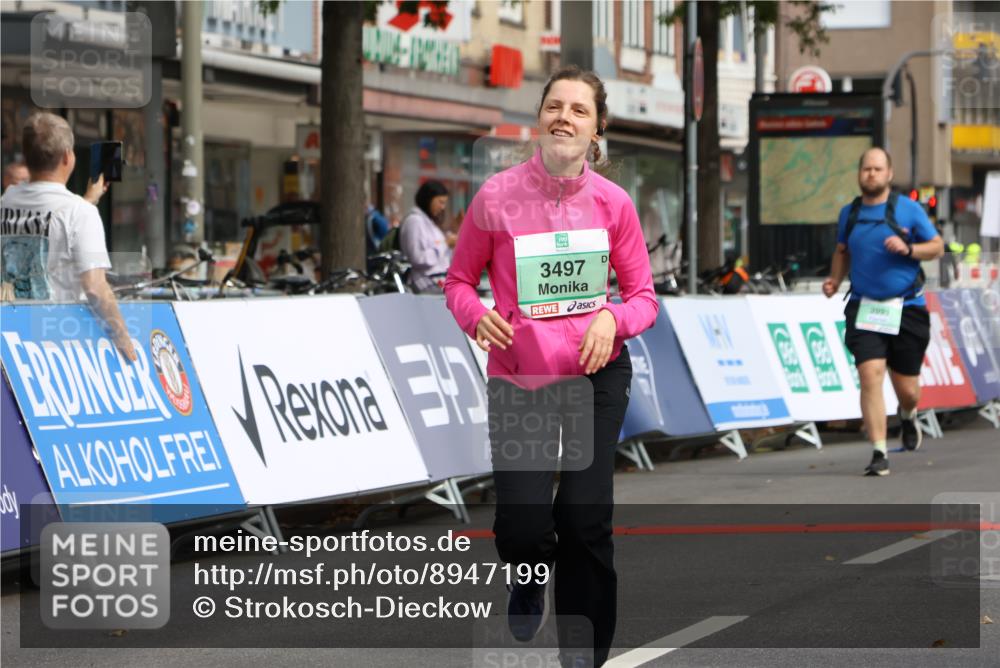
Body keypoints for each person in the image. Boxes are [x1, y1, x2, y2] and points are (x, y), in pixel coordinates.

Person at [444, 65, 657, 667]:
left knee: (584, 520)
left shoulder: (614, 204)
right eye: (554, 106)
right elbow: (459, 280)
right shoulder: (496, 197)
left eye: (579, 110)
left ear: (598, 129)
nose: (564, 117)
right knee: (523, 527)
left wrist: (613, 319)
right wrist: (475, 315)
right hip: (524, 376)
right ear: (538, 119)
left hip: (596, 375)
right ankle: (528, 573)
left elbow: (644, 297)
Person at [822, 147, 943, 476]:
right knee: (870, 374)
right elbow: (842, 251)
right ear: (860, 174)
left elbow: (937, 246)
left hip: (907, 307)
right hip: (864, 306)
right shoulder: (850, 213)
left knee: (908, 389)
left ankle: (907, 415)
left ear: (889, 174)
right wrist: (834, 279)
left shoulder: (908, 210)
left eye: (877, 169)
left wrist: (909, 248)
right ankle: (878, 452)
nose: (871, 174)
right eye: (866, 169)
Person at [0, 112, 135, 362]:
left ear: (27, 157)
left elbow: (48, 223)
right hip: (59, 342)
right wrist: (124, 337)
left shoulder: (6, 201)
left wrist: (88, 201)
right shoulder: (79, 213)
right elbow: (95, 288)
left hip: (10, 338)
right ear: (67, 157)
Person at [399, 180, 456, 293]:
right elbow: (418, 258)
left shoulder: (429, 223)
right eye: (440, 202)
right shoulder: (414, 222)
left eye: (444, 203)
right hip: (425, 283)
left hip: (438, 280)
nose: (442, 207)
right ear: (428, 199)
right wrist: (445, 244)